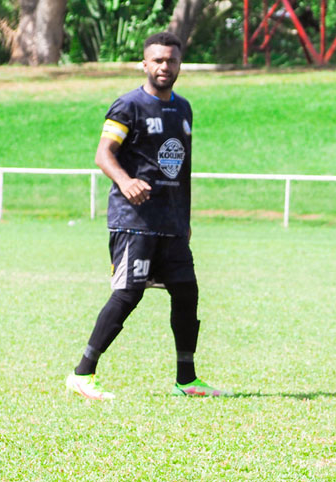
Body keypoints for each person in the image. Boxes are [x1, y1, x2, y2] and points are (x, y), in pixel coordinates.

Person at [67, 31, 226, 401]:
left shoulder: (183, 109)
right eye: (157, 60)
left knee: (187, 293)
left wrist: (184, 219)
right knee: (128, 294)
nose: (164, 66)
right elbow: (103, 154)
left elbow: (182, 170)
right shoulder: (128, 106)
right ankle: (82, 374)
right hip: (134, 221)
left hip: (171, 224)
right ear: (144, 64)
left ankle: (186, 380)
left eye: (171, 60)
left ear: (180, 64)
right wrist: (125, 182)